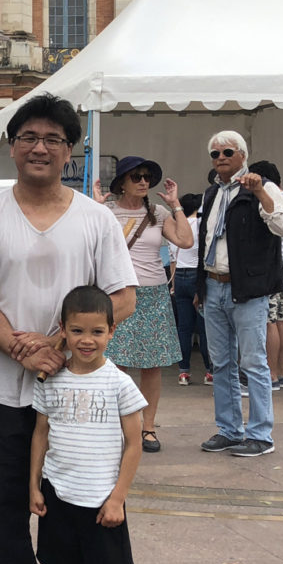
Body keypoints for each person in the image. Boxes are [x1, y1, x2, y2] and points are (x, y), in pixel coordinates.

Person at [0, 92, 139, 564]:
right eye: (29, 137)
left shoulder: (96, 218)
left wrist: (57, 345)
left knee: (91, 503)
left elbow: (124, 297)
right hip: (6, 391)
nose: (40, 148)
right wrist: (18, 349)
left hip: (80, 395)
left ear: (69, 152)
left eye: (53, 139)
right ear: (12, 147)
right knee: (5, 503)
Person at [28, 285, 177, 564]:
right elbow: (41, 434)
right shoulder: (51, 380)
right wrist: (34, 486)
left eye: (97, 330)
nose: (87, 340)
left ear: (112, 331)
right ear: (63, 331)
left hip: (102, 502)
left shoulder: (119, 384)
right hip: (60, 497)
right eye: (77, 331)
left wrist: (117, 499)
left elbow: (134, 444)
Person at [93, 156, 193, 453]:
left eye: (147, 177)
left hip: (153, 295)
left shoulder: (158, 212)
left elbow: (185, 242)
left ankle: (148, 428)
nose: (143, 181)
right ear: (121, 182)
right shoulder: (106, 212)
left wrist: (175, 204)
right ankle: (123, 425)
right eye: (135, 176)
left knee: (152, 366)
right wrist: (96, 208)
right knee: (115, 364)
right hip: (117, 293)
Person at [197, 133, 283, 457]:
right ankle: (230, 429)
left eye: (227, 152)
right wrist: (200, 287)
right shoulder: (211, 193)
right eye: (215, 153)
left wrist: (260, 191)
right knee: (221, 363)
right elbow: (206, 243)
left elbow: (282, 226)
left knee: (254, 363)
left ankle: (261, 435)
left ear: (243, 155)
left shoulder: (262, 186)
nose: (220, 157)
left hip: (247, 290)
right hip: (214, 285)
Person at [248, 161, 283, 391]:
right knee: (282, 321)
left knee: (270, 322)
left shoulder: (265, 197)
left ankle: (271, 374)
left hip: (275, 267)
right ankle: (281, 373)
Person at [170, 193, 213, 387]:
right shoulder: (199, 225)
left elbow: (172, 260)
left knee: (184, 328)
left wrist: (172, 285)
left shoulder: (176, 228)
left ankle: (183, 372)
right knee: (204, 328)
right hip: (198, 277)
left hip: (179, 277)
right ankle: (209, 371)